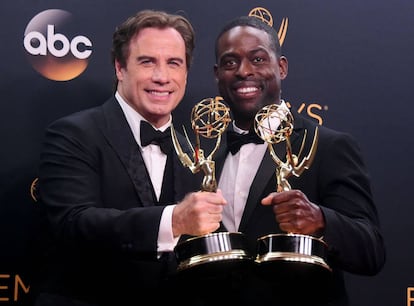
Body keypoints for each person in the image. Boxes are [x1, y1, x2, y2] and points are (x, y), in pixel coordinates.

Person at [32, 10, 227, 306]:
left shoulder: (196, 150)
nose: (162, 77)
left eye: (173, 63)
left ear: (185, 73)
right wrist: (172, 221)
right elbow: (74, 223)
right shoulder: (72, 134)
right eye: (147, 62)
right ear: (120, 68)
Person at [210, 15, 386, 306]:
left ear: (281, 67)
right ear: (217, 74)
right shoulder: (202, 153)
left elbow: (372, 251)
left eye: (257, 59)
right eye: (230, 63)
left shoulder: (328, 146)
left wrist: (320, 221)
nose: (243, 71)